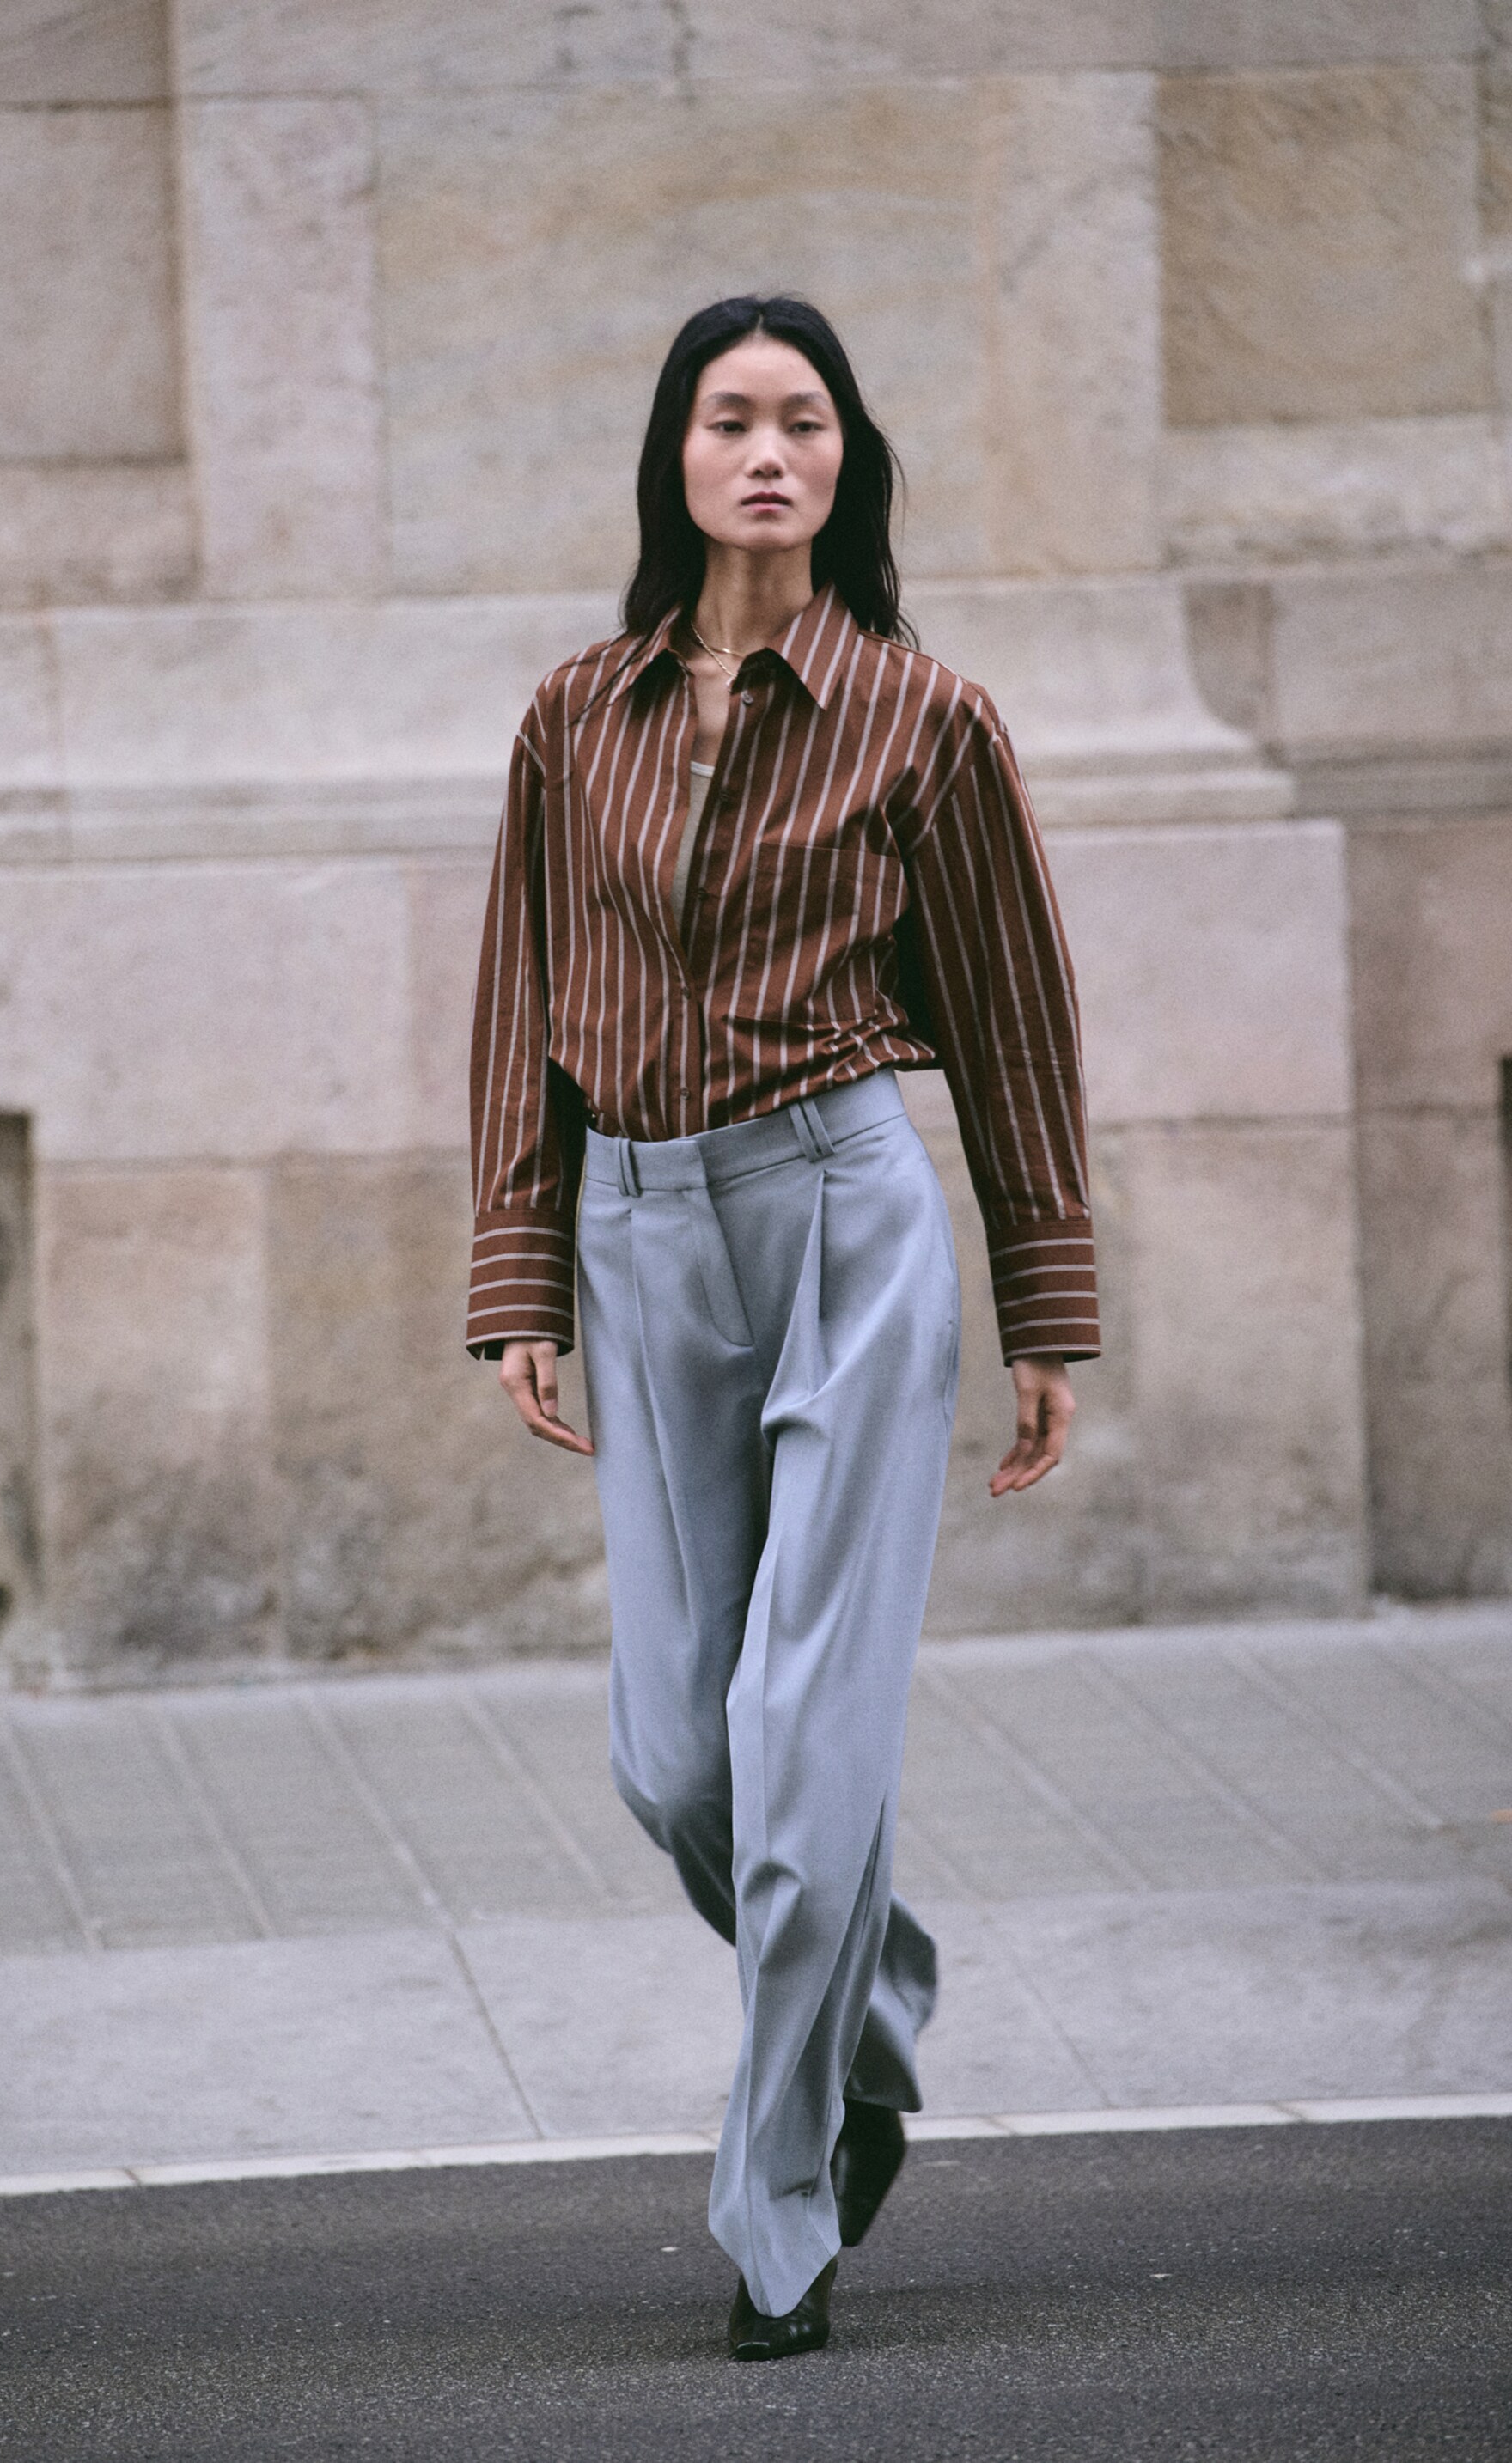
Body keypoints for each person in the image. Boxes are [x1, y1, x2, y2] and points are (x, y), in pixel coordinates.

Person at [466, 295, 1098, 2361]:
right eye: (729, 418)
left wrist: (1043, 1302)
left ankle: (778, 2204)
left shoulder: (927, 720)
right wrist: (519, 1272)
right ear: (674, 453)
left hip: (847, 1212)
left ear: (847, 462)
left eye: (801, 421)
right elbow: (517, 1005)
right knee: (673, 1758)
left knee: (804, 1744)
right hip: (646, 1237)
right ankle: (875, 2016)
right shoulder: (575, 714)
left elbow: (1011, 1023)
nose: (765, 451)